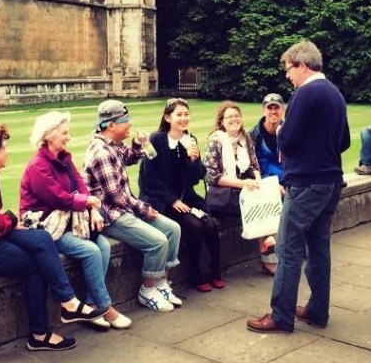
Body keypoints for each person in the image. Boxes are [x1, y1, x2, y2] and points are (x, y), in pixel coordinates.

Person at [0, 122, 107, 352]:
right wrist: (12, 219)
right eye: (4, 147)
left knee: (41, 238)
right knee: (35, 266)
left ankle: (68, 303)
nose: (8, 152)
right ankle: (40, 334)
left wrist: (11, 222)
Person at [247, 39, 350, 333]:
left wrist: (280, 130)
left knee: (288, 248)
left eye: (289, 69)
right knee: (318, 248)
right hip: (330, 182)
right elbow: (344, 141)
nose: (287, 76)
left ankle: (280, 315)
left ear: (302, 65)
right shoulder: (334, 93)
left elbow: (288, 139)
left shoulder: (305, 94)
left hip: (306, 183)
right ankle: (318, 311)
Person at [19, 111, 132, 330]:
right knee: (91, 251)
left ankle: (91, 306)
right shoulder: (37, 166)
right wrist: (89, 201)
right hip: (48, 228)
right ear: (48, 136)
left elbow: (80, 185)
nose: (68, 137)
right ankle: (106, 308)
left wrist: (92, 207)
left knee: (104, 247)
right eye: (64, 133)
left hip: (69, 221)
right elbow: (58, 198)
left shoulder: (64, 157)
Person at [81, 100, 183, 313]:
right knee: (157, 242)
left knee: (173, 229)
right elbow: (116, 196)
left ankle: (162, 284)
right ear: (111, 125)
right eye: (126, 121)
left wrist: (137, 145)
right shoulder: (101, 153)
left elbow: (127, 158)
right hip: (110, 215)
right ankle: (147, 291)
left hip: (125, 207)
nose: (130, 124)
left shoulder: (112, 144)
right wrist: (144, 209)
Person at [138, 98, 223, 293]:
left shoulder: (189, 139)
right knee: (193, 226)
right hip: (162, 199)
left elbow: (194, 178)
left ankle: (215, 270)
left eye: (186, 114)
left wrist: (193, 160)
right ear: (168, 117)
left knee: (209, 224)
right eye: (179, 115)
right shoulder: (156, 140)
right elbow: (149, 178)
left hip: (186, 196)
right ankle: (194, 272)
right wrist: (172, 200)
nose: (184, 118)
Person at [202, 101, 277, 275]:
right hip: (224, 195)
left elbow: (254, 166)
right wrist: (244, 184)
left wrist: (257, 180)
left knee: (267, 195)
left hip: (243, 189)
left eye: (237, 116)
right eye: (229, 117)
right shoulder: (216, 141)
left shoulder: (245, 139)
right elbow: (213, 176)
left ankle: (269, 248)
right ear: (221, 121)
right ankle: (269, 253)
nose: (234, 119)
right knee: (260, 206)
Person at [247, 93, 285, 273]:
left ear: (282, 110)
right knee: (269, 198)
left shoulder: (290, 131)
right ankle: (269, 256)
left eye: (276, 107)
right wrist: (268, 184)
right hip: (262, 182)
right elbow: (249, 167)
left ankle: (288, 249)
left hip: (287, 181)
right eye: (270, 107)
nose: (273, 111)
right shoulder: (252, 136)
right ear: (264, 110)